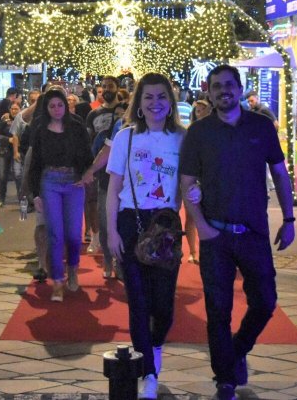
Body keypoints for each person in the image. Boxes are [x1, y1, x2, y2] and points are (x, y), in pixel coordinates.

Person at [179, 64, 297, 400]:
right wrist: (200, 226)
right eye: (217, 86)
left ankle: (237, 349)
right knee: (218, 311)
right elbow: (187, 182)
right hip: (216, 235)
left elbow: (279, 173)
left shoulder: (260, 126)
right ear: (209, 91)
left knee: (265, 302)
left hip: (254, 233)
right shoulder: (199, 133)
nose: (223, 91)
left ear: (240, 87)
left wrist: (289, 219)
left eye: (229, 85)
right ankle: (225, 380)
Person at [105, 73, 184, 399]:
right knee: (138, 302)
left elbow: (185, 185)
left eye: (161, 97)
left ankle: (156, 344)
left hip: (165, 226)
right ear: (139, 103)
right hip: (131, 221)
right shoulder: (125, 137)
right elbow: (113, 190)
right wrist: (111, 232)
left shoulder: (182, 138)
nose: (155, 103)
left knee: (163, 305)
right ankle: (148, 373)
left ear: (170, 102)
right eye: (148, 97)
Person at [22, 88, 93, 301]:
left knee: (72, 234)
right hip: (49, 181)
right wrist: (35, 194)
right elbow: (35, 164)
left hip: (73, 182)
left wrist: (86, 174)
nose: (56, 109)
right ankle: (58, 281)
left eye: (59, 105)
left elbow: (87, 156)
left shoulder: (77, 127)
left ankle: (72, 269)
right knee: (55, 234)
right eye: (52, 106)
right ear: (47, 108)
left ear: (66, 106)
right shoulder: (41, 129)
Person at [85, 76, 127, 278]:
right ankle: (108, 261)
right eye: (104, 86)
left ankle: (121, 262)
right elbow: (90, 141)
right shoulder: (93, 114)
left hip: (124, 173)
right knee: (103, 218)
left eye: (111, 86)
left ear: (118, 88)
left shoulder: (127, 111)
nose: (107, 89)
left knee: (122, 220)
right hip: (102, 173)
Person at [184, 98, 214, 264]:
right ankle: (193, 251)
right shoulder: (190, 131)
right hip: (192, 176)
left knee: (207, 216)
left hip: (208, 179)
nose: (200, 112)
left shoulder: (214, 130)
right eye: (198, 110)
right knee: (190, 216)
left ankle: (205, 249)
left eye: (204, 109)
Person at [0, 102, 22, 204]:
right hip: (5, 150)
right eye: (12, 109)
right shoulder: (4, 120)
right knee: (2, 175)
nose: (14, 111)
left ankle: (21, 198)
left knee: (18, 174)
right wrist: (8, 139)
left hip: (17, 151)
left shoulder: (22, 120)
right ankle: (2, 197)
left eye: (16, 109)